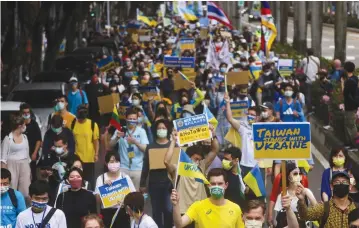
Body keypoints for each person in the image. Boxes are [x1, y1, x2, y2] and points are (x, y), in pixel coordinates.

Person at [164, 128, 219, 218]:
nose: (197, 162)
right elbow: (166, 161)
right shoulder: (178, 169)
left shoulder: (201, 166)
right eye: (196, 159)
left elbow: (214, 150)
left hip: (201, 211)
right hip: (183, 211)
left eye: (200, 160)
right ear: (188, 157)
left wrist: (213, 135)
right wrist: (173, 141)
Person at [171, 168, 245, 228]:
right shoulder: (197, 206)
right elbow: (179, 224)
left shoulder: (236, 208)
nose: (216, 186)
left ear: (226, 185)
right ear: (208, 185)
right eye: (213, 184)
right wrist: (175, 205)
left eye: (220, 183)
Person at [140, 119, 173, 228]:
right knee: (156, 211)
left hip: (169, 184)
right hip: (154, 184)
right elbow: (145, 166)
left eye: (164, 128)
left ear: (168, 130)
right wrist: (142, 183)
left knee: (169, 210)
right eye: (159, 128)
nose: (161, 130)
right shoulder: (150, 147)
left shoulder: (173, 146)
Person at [109, 108, 149, 190]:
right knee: (122, 194)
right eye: (130, 119)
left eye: (134, 119)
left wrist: (136, 142)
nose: (132, 121)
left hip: (137, 168)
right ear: (126, 119)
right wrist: (116, 137)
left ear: (137, 119)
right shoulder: (120, 130)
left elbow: (146, 149)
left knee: (135, 194)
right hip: (123, 167)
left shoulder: (141, 131)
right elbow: (110, 145)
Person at [95, 152, 136, 228]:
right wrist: (104, 188)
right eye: (111, 162)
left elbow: (134, 195)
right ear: (106, 163)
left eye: (116, 161)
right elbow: (97, 200)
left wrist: (126, 201)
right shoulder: (101, 178)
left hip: (122, 211)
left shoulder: (125, 177)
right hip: (107, 212)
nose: (114, 164)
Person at [272, 163, 317, 228]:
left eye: (300, 173)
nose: (298, 176)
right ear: (288, 177)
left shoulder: (306, 191)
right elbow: (276, 220)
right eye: (295, 174)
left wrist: (306, 192)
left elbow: (317, 210)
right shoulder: (283, 195)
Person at [1, 113, 31, 200]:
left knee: (25, 191)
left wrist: (29, 171)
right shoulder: (8, 139)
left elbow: (27, 154)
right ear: (19, 126)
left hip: (24, 164)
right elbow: (3, 158)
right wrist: (3, 173)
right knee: (11, 189)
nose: (25, 126)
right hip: (11, 165)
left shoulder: (25, 137)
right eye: (24, 124)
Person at [71, 105, 99, 190]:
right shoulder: (73, 124)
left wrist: (96, 154)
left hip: (89, 158)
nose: (80, 120)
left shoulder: (92, 124)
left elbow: (96, 141)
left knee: (89, 180)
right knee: (77, 179)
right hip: (77, 158)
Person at [20, 103, 42, 183]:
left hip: (32, 154)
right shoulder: (19, 125)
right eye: (24, 113)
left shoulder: (34, 124)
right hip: (21, 155)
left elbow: (38, 140)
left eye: (27, 112)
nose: (26, 114)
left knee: (33, 174)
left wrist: (35, 153)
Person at [343, 61, 359, 148]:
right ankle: (350, 143)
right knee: (349, 124)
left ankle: (354, 144)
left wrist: (342, 83)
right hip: (354, 105)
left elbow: (344, 93)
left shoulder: (349, 81)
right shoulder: (355, 78)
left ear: (346, 69)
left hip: (350, 106)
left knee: (351, 125)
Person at [300, 48, 320, 112]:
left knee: (308, 95)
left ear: (307, 53)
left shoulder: (304, 60)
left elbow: (300, 68)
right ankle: (315, 108)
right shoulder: (317, 59)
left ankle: (309, 109)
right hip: (316, 80)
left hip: (307, 79)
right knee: (314, 94)